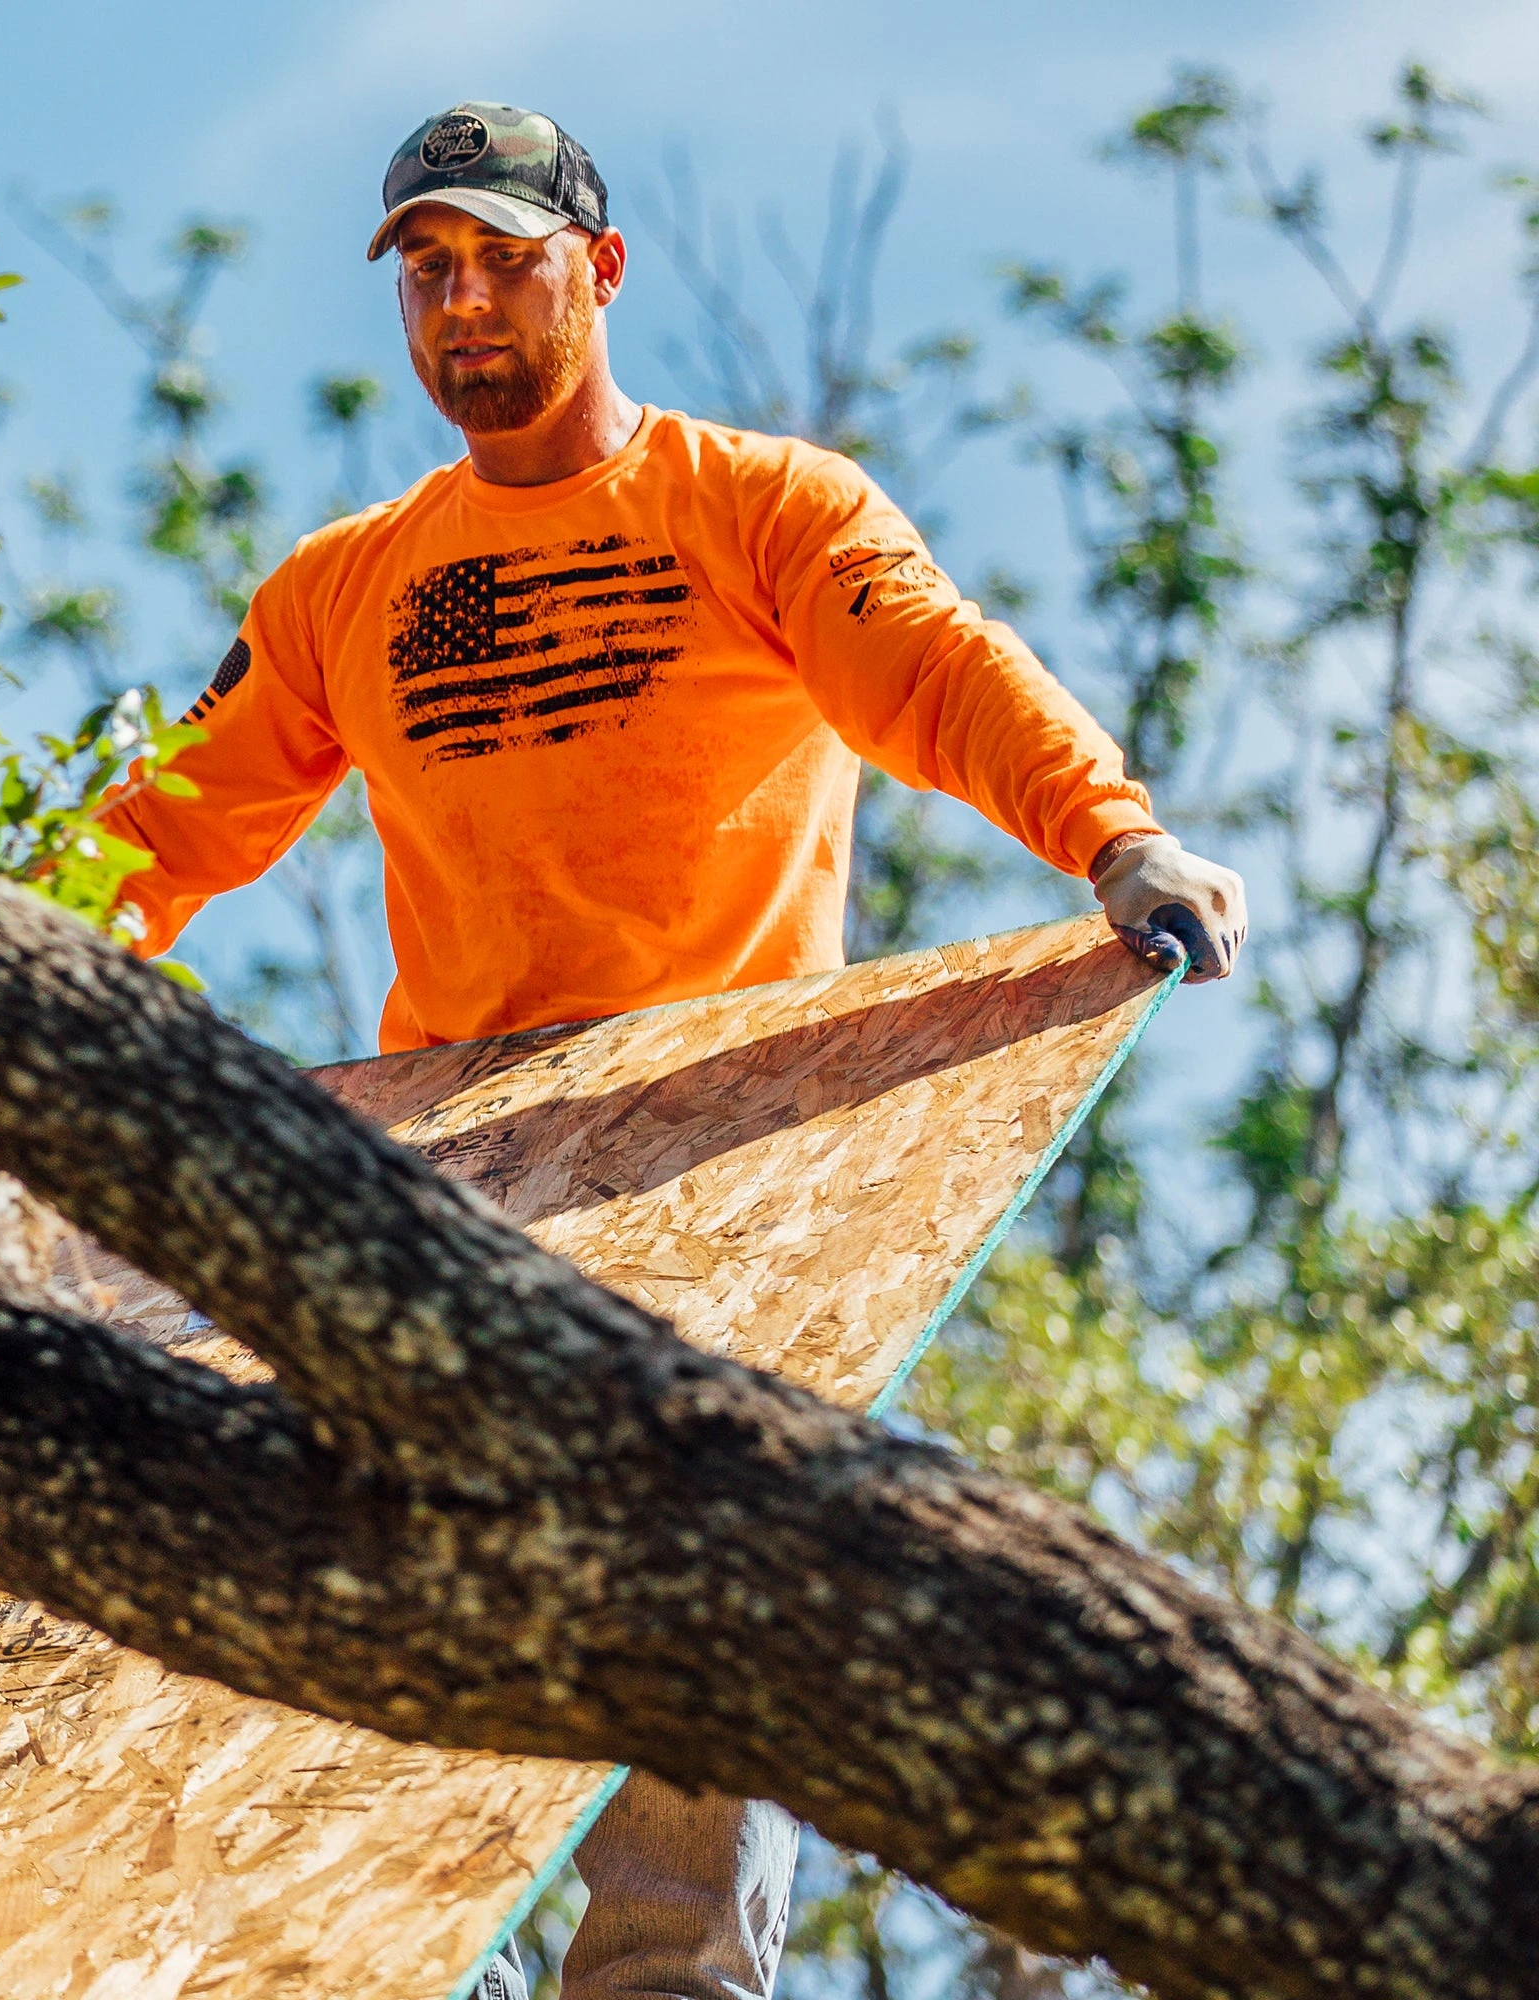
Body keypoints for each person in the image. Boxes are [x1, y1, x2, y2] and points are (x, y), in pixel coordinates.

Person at [100, 101, 1247, 2000]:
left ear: (599, 270)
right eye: (429, 275)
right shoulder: (344, 588)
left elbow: (940, 671)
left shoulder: (761, 509)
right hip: (452, 1180)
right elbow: (158, 833)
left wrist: (1116, 837)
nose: (464, 306)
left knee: (703, 1631)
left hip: (732, 1167)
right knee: (375, 1662)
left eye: (503, 262)